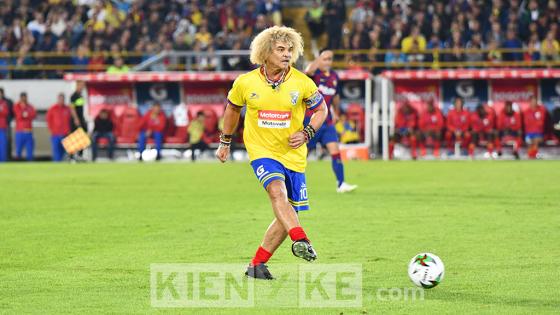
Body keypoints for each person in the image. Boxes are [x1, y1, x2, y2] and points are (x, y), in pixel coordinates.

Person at [216, 26, 328, 280]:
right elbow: (232, 110)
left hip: (294, 155)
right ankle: (301, 239)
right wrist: (225, 141)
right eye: (280, 49)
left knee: (288, 214)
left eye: (290, 50)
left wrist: (308, 133)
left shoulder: (302, 82)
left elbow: (322, 111)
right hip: (262, 151)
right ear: (265, 52)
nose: (287, 54)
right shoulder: (245, 83)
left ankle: (256, 265)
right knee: (277, 191)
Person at [304, 49, 357, 192]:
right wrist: (317, 59)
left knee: (335, 151)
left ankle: (341, 184)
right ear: (319, 60)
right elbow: (307, 71)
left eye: (330, 59)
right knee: (303, 155)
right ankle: (294, 183)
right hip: (311, 120)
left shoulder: (334, 76)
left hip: (327, 121)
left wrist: (336, 112)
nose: (327, 62)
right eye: (325, 59)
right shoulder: (314, 74)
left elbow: (335, 96)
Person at [46, 93, 72, 162]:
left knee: (65, 153)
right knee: (56, 152)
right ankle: (56, 166)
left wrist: (69, 130)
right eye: (60, 99)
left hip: (65, 134)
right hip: (56, 134)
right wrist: (51, 130)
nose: (61, 101)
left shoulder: (67, 109)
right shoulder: (52, 109)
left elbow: (70, 121)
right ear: (58, 99)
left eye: (63, 99)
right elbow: (48, 120)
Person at [13, 92, 36, 161]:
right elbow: (18, 116)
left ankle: (30, 163)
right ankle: (17, 165)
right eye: (22, 97)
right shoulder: (17, 106)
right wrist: (24, 111)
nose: (24, 99)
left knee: (30, 150)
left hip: (29, 131)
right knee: (18, 150)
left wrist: (25, 114)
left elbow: (33, 115)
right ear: (20, 98)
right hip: (20, 132)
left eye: (25, 97)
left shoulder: (30, 106)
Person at [70, 81, 87, 160]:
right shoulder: (74, 96)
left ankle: (80, 155)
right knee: (74, 138)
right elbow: (72, 108)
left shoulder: (81, 96)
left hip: (81, 119)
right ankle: (72, 156)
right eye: (81, 85)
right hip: (76, 120)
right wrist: (76, 119)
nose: (82, 87)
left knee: (82, 137)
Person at [0, 88, 13, 161]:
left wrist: (8, 121)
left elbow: (6, 113)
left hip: (3, 126)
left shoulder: (5, 103)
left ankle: (4, 160)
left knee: (3, 144)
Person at [0, 95, 8, 162]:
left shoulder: (4, 103)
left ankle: (3, 161)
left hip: (1, 128)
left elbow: (5, 113)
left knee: (2, 145)